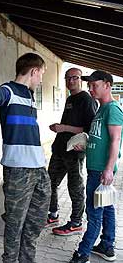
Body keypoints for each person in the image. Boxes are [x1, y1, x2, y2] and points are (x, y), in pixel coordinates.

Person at [0, 53, 51, 263]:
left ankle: (27, 259)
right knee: (15, 223)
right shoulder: (10, 91)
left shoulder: (29, 94)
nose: (41, 79)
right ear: (34, 71)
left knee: (36, 220)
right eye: (41, 74)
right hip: (18, 171)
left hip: (39, 169)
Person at [70, 71, 123, 263]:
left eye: (95, 85)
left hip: (101, 171)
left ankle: (82, 253)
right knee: (106, 207)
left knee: (93, 213)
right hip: (96, 168)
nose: (91, 89)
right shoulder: (100, 109)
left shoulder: (112, 109)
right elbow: (100, 138)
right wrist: (84, 144)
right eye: (89, 85)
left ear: (108, 85)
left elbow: (116, 140)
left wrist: (109, 169)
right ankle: (107, 246)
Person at [47, 68, 97, 236]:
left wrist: (64, 128)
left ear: (80, 80)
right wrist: (60, 129)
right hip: (60, 150)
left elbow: (89, 129)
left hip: (74, 152)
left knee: (75, 187)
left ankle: (76, 223)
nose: (71, 81)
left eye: (74, 78)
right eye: (68, 78)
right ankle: (52, 214)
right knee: (49, 182)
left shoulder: (86, 100)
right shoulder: (70, 98)